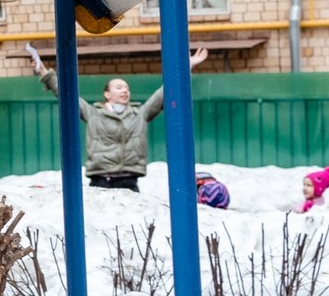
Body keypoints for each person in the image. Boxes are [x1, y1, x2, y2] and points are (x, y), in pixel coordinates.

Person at [26, 45, 209, 190]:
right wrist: (44, 73)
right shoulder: (93, 114)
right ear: (107, 94)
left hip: (129, 180)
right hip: (100, 180)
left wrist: (186, 67)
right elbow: (66, 95)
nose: (125, 90)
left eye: (127, 88)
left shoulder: (140, 114)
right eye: (119, 87)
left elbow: (164, 94)